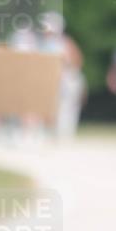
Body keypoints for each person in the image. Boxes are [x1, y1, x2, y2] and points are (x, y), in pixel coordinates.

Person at [37, 12, 86, 140]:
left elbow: (76, 62)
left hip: (64, 81)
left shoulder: (64, 42)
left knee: (65, 111)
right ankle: (49, 135)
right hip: (49, 81)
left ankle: (63, 137)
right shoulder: (41, 43)